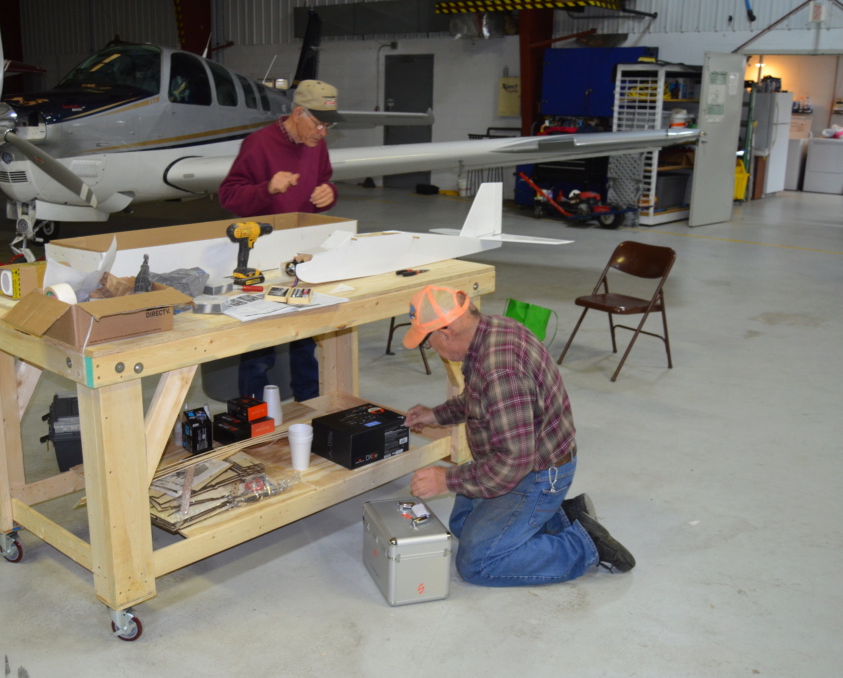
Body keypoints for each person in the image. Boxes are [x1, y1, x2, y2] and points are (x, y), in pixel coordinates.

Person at [401, 285, 635, 586]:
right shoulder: (490, 331)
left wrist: (445, 479)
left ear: (445, 333)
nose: (431, 350)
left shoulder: (500, 369)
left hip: (536, 473)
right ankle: (561, 516)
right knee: (461, 525)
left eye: (427, 343)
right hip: (517, 460)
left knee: (478, 562)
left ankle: (582, 545)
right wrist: (436, 414)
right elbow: (479, 400)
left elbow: (512, 464)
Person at [218, 80, 343, 402]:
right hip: (263, 260)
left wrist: (329, 194)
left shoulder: (317, 145)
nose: (323, 133)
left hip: (301, 259)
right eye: (318, 124)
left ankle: (311, 404)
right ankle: (252, 413)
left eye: (327, 125)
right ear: (298, 113)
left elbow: (324, 182)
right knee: (260, 349)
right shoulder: (258, 144)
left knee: (305, 341)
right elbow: (229, 196)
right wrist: (267, 189)